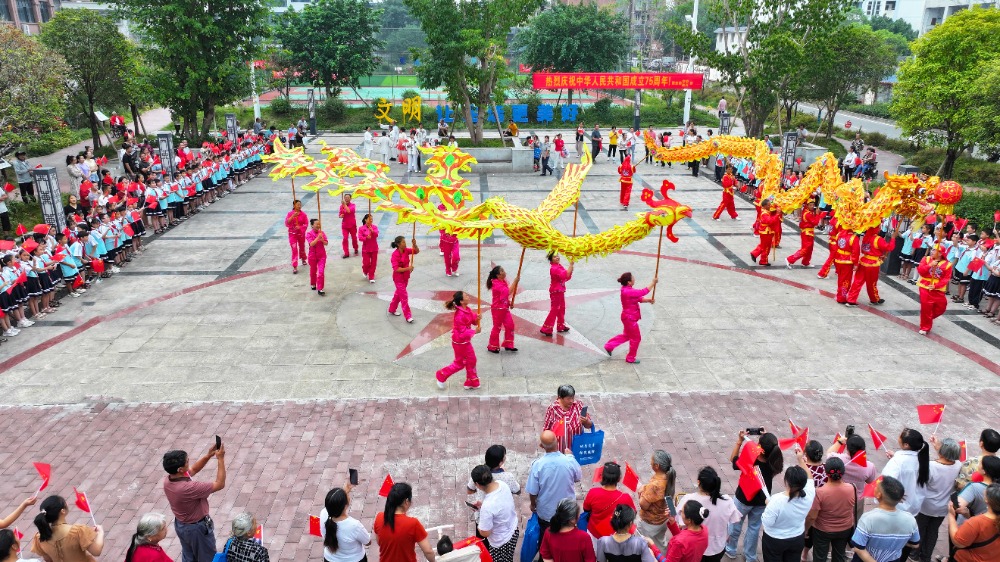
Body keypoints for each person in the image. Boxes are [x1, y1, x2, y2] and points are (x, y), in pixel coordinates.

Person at [161, 444, 226, 562]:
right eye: (187, 461)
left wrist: (208, 456)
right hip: (197, 529)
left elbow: (194, 469)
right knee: (208, 558)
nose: (189, 462)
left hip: (182, 525)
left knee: (189, 556)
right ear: (180, 469)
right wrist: (220, 459)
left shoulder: (169, 480)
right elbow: (220, 484)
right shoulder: (188, 488)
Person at [726, 431, 783, 562]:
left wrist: (739, 441)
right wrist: (767, 437)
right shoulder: (775, 459)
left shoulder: (751, 457)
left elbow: (733, 461)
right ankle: (750, 556)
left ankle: (731, 549)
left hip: (743, 498)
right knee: (754, 527)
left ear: (761, 448)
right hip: (762, 500)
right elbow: (770, 448)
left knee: (735, 523)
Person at [761, 448, 816, 562]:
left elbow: (767, 523)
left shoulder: (776, 501)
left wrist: (768, 504)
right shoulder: (809, 494)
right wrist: (801, 460)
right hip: (796, 538)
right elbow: (810, 477)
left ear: (787, 481)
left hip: (775, 540)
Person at [914, 438, 962, 562]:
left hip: (926, 505)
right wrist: (937, 447)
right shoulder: (958, 465)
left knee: (920, 528)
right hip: (943, 506)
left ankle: (914, 553)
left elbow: (920, 484)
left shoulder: (931, 466)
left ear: (942, 452)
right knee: (933, 531)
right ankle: (926, 556)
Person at [676, 466, 739, 562]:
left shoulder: (688, 500)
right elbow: (735, 519)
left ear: (698, 482)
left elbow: (681, 524)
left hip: (694, 548)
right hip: (717, 547)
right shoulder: (727, 501)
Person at [849, 476, 919, 562]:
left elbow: (858, 548)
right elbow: (915, 544)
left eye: (876, 488)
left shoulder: (868, 518)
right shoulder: (910, 519)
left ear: (878, 495)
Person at [526, 431, 583, 534]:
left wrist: (533, 504)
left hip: (546, 512)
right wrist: (570, 456)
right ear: (557, 441)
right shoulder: (569, 461)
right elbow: (578, 477)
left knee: (547, 535)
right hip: (568, 512)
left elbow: (533, 491)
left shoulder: (538, 465)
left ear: (541, 446)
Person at [805, 458, 855, 562]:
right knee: (839, 555)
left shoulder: (820, 492)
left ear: (826, 473)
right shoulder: (851, 488)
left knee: (820, 557)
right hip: (844, 529)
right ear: (843, 472)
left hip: (822, 530)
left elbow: (812, 516)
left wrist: (806, 529)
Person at [30, 495, 105, 562]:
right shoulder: (78, 531)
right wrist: (100, 533)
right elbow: (96, 551)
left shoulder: (40, 537)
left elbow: (48, 559)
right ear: (62, 511)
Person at [373, 483, 436, 562]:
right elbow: (428, 551)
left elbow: (379, 542)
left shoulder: (379, 517)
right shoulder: (413, 523)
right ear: (406, 501)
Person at [604, 272, 656, 364]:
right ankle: (630, 357)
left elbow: (638, 298)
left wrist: (648, 300)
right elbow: (643, 291)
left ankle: (609, 346)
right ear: (629, 282)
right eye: (633, 278)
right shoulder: (628, 291)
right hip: (630, 319)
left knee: (627, 335)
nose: (634, 279)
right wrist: (653, 282)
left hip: (628, 318)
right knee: (636, 338)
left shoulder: (627, 290)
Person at [434, 291, 481, 390]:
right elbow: (462, 332)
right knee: (461, 363)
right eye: (466, 296)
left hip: (464, 342)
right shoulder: (459, 315)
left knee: (469, 360)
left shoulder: (466, 309)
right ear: (461, 301)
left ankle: (471, 381)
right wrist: (474, 332)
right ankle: (441, 375)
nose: (468, 296)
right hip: (460, 342)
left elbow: (472, 320)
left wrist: (477, 318)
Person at [471, 465, 519, 562]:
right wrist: (483, 506)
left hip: (500, 543)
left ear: (477, 484)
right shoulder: (502, 484)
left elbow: (485, 533)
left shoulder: (487, 507)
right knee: (509, 558)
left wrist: (480, 526)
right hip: (513, 531)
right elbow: (499, 503)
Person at [637, 451, 677, 552]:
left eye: (651, 461)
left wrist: (642, 492)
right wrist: (645, 487)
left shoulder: (655, 485)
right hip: (663, 519)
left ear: (656, 466)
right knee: (660, 543)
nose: (650, 462)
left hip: (650, 523)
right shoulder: (669, 476)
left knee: (647, 546)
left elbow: (643, 505)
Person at [583, 462, 637, 539]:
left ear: (602, 476)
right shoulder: (625, 498)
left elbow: (586, 509)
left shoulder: (593, 492)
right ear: (618, 479)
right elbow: (632, 514)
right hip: (614, 536)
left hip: (594, 532)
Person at [847, 225, 897, 306]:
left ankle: (851, 299)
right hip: (872, 264)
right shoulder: (878, 239)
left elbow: (868, 249)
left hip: (863, 261)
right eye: (879, 227)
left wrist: (879, 254)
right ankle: (874, 299)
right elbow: (889, 247)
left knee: (857, 281)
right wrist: (893, 238)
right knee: (872, 283)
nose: (880, 229)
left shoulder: (866, 237)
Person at [947, 484, 1000, 562]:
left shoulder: (976, 522)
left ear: (987, 500)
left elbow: (958, 542)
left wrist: (951, 515)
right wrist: (968, 514)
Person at [320, 485, 370, 562]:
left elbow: (334, 504)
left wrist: (345, 491)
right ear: (345, 506)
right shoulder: (354, 525)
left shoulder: (323, 514)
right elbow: (367, 542)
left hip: (330, 559)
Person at [542, 385, 593, 452]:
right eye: (568, 399)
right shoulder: (553, 409)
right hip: (559, 450)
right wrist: (545, 442)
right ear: (560, 397)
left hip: (576, 448)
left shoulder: (578, 405)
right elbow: (546, 428)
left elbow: (589, 425)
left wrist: (586, 421)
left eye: (572, 398)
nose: (571, 401)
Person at [916, 244, 952, 335]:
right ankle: (925, 327)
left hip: (938, 288)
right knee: (926, 307)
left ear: (940, 253)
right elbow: (920, 271)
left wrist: (936, 286)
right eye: (932, 249)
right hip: (925, 286)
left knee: (941, 307)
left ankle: (927, 318)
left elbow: (946, 278)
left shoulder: (947, 265)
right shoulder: (926, 259)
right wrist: (930, 265)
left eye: (935, 250)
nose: (932, 251)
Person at [486, 265, 519, 353]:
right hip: (497, 309)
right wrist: (515, 282)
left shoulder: (503, 281)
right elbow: (507, 292)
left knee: (510, 325)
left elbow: (503, 297)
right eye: (502, 271)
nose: (504, 272)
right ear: (498, 275)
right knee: (497, 327)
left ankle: (508, 344)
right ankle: (492, 346)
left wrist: (509, 303)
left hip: (504, 308)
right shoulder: (496, 284)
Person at [540, 252, 573, 336]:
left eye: (557, 256)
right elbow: (565, 275)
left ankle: (560, 326)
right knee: (555, 309)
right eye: (554, 257)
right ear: (551, 259)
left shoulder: (558, 266)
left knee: (561, 308)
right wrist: (571, 265)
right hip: (556, 291)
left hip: (560, 290)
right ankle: (546, 328)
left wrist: (571, 267)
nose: (557, 257)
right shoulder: (554, 268)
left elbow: (566, 276)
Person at [389, 236, 419, 323]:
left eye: (405, 242)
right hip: (398, 279)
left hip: (406, 277)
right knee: (404, 296)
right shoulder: (395, 255)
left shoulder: (406, 250)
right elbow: (396, 269)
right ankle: (408, 316)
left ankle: (392, 309)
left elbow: (416, 251)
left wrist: (415, 244)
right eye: (403, 242)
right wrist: (408, 268)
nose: (405, 243)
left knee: (398, 294)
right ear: (398, 244)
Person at [786, 201, 821, 268]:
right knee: (805, 249)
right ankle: (790, 259)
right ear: (807, 205)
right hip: (806, 233)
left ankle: (805, 262)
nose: (812, 206)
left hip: (809, 233)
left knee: (810, 249)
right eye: (810, 205)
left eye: (813, 205)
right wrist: (817, 214)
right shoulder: (807, 214)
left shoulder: (806, 211)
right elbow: (815, 222)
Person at [751, 198, 781, 266]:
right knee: (765, 246)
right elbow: (770, 221)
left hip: (767, 231)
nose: (769, 206)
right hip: (765, 232)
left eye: (769, 205)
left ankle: (763, 260)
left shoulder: (766, 211)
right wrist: (777, 215)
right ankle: (757, 255)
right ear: (764, 206)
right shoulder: (764, 213)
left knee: (765, 246)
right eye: (768, 205)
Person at [306, 218, 329, 296]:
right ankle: (313, 283)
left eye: (319, 224)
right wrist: (317, 238)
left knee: (321, 272)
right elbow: (311, 244)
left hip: (321, 255)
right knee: (313, 271)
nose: (318, 226)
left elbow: (326, 243)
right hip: (312, 256)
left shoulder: (322, 233)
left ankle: (320, 288)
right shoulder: (308, 234)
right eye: (317, 224)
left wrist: (322, 240)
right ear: (312, 225)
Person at [285, 200, 308, 274]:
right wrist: (292, 216)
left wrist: (300, 227)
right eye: (298, 204)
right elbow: (287, 223)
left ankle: (303, 258)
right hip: (292, 234)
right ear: (294, 205)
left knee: (302, 247)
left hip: (300, 234)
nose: (299, 206)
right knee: (294, 249)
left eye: (300, 204)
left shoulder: (303, 214)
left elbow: (306, 224)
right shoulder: (290, 214)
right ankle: (295, 266)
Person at [359, 213, 379, 283]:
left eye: (371, 219)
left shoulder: (374, 227)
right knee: (366, 263)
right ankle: (365, 270)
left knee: (373, 263)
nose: (371, 220)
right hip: (366, 249)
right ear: (365, 220)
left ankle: (371, 276)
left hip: (374, 248)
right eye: (369, 219)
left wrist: (372, 231)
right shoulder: (361, 228)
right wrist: (366, 238)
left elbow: (376, 235)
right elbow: (360, 238)